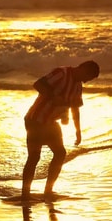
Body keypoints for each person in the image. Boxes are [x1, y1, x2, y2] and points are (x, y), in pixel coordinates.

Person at [22, 60, 100, 200]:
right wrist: (54, 97)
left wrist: (78, 130)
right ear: (82, 68)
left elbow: (75, 107)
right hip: (36, 120)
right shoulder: (62, 73)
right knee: (34, 157)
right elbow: (38, 84)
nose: (87, 81)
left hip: (51, 123)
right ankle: (25, 193)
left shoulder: (77, 86)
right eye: (88, 76)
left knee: (60, 153)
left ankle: (48, 191)